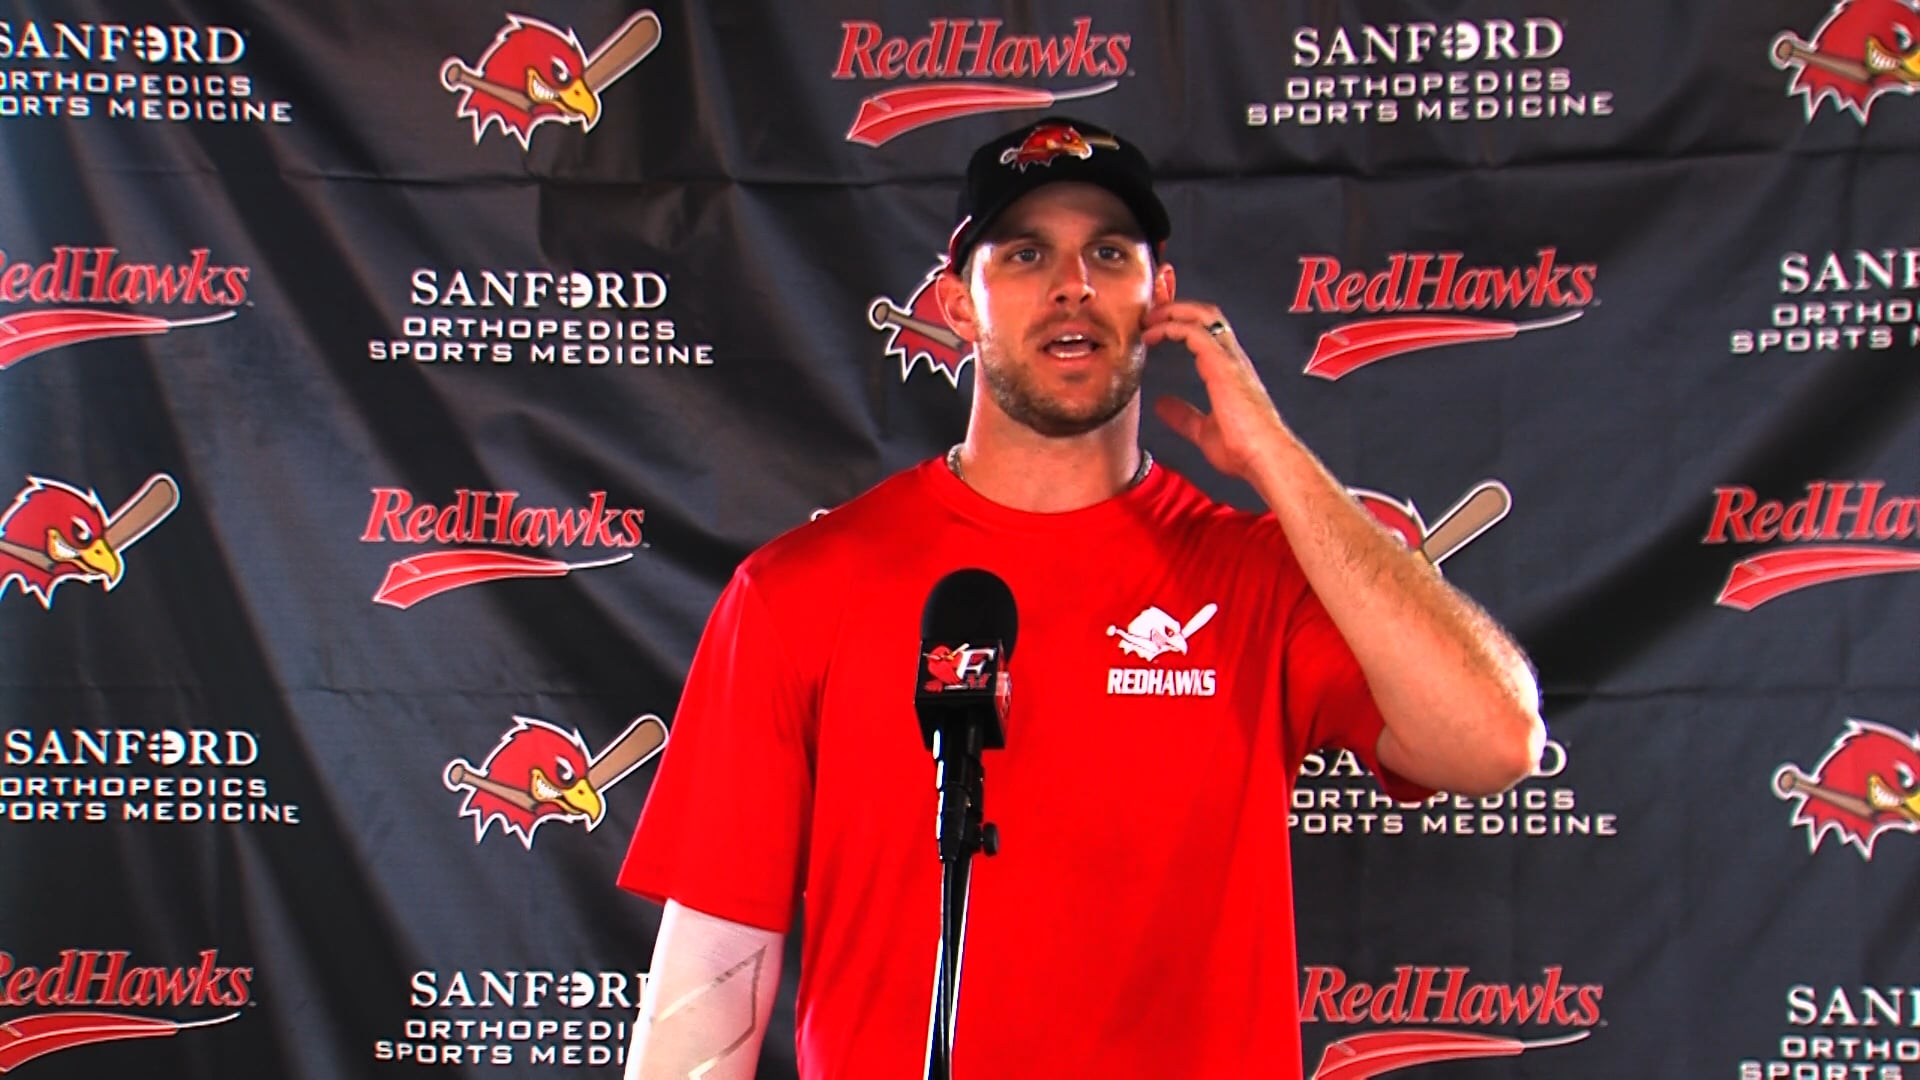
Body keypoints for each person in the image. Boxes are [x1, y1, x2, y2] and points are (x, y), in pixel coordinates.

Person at [616, 116, 1544, 1080]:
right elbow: (710, 978)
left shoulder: (1262, 572)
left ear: (1162, 299)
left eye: (1110, 252)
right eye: (1024, 254)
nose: (1074, 284)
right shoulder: (800, 590)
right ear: (957, 306)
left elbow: (1492, 743)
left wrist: (1276, 460)